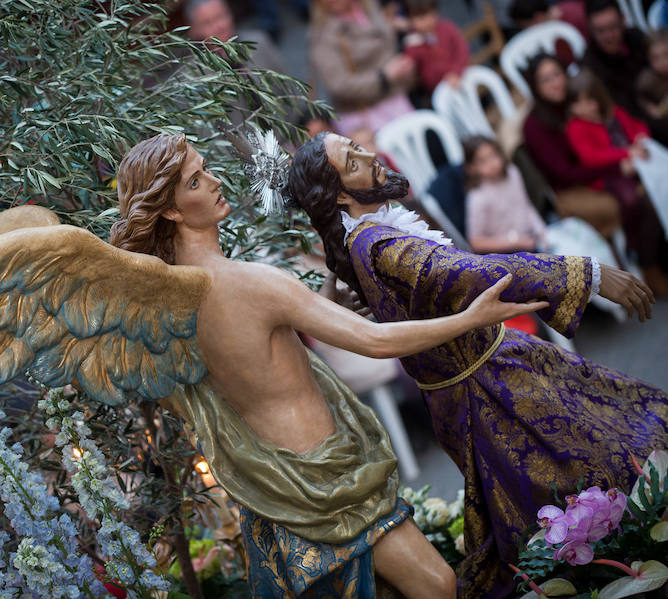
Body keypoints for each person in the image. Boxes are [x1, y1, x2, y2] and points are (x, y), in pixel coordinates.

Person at [108, 133, 545, 597]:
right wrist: (467, 319)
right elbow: (375, 342)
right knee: (437, 586)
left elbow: (259, 357)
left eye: (205, 167)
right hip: (328, 480)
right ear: (172, 211)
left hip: (275, 481)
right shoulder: (250, 282)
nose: (216, 181)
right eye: (196, 181)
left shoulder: (176, 304)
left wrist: (326, 304)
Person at [287, 131, 668, 598]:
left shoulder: (372, 232)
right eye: (352, 162)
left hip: (493, 366)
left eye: (358, 148)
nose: (370, 156)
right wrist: (583, 274)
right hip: (488, 392)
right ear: (342, 195)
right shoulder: (379, 245)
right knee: (600, 468)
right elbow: (468, 273)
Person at [565, 68, 668, 293]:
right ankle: (635, 246)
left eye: (589, 101)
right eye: (577, 104)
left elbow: (636, 127)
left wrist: (640, 140)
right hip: (610, 174)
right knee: (632, 200)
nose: (585, 108)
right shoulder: (576, 127)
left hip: (636, 165)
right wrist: (626, 154)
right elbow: (590, 157)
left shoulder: (615, 113)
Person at [522, 53, 622, 239]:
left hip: (603, 167)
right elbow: (565, 173)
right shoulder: (534, 126)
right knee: (625, 202)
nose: (555, 83)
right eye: (545, 80)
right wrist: (615, 165)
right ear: (535, 87)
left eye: (557, 74)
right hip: (574, 189)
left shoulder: (577, 100)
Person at [308, 0, 415, 136]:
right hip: (364, 116)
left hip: (396, 100)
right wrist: (383, 78)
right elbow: (340, 85)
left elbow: (385, 47)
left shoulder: (369, 9)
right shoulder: (323, 33)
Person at [401, 0, 470, 102]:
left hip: (462, 80)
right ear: (411, 20)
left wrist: (455, 71)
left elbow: (462, 51)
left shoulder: (447, 28)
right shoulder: (413, 42)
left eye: (432, 14)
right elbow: (412, 66)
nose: (428, 21)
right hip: (437, 92)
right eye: (421, 18)